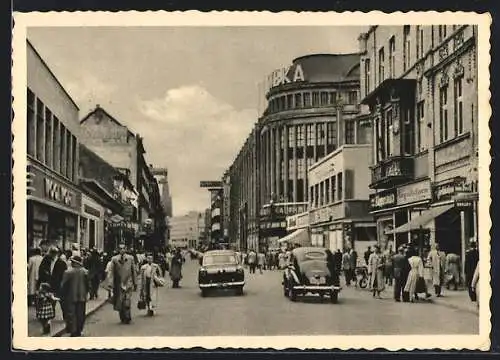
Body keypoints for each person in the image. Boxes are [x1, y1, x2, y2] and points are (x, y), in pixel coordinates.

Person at [60, 255, 89, 337]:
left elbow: (63, 285)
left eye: (72, 262)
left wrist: (62, 295)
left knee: (71, 314)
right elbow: (88, 285)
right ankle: (79, 330)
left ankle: (73, 330)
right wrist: (87, 292)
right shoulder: (85, 271)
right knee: (81, 314)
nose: (71, 263)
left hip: (70, 296)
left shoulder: (68, 272)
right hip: (82, 296)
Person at [108, 243, 137, 324]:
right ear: (118, 249)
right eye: (120, 248)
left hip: (128, 282)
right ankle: (122, 316)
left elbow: (133, 270)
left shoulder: (130, 258)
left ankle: (127, 316)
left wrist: (135, 282)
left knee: (127, 300)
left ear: (126, 249)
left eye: (123, 248)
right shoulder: (114, 259)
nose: (122, 250)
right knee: (120, 301)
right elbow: (111, 272)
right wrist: (110, 283)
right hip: (119, 283)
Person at [38, 246, 68, 322]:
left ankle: (66, 317)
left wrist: (63, 284)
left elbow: (65, 274)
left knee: (62, 302)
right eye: (51, 253)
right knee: (50, 301)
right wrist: (44, 276)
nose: (51, 255)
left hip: (58, 285)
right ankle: (50, 316)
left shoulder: (61, 262)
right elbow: (41, 270)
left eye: (53, 253)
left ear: (56, 254)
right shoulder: (45, 260)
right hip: (49, 284)